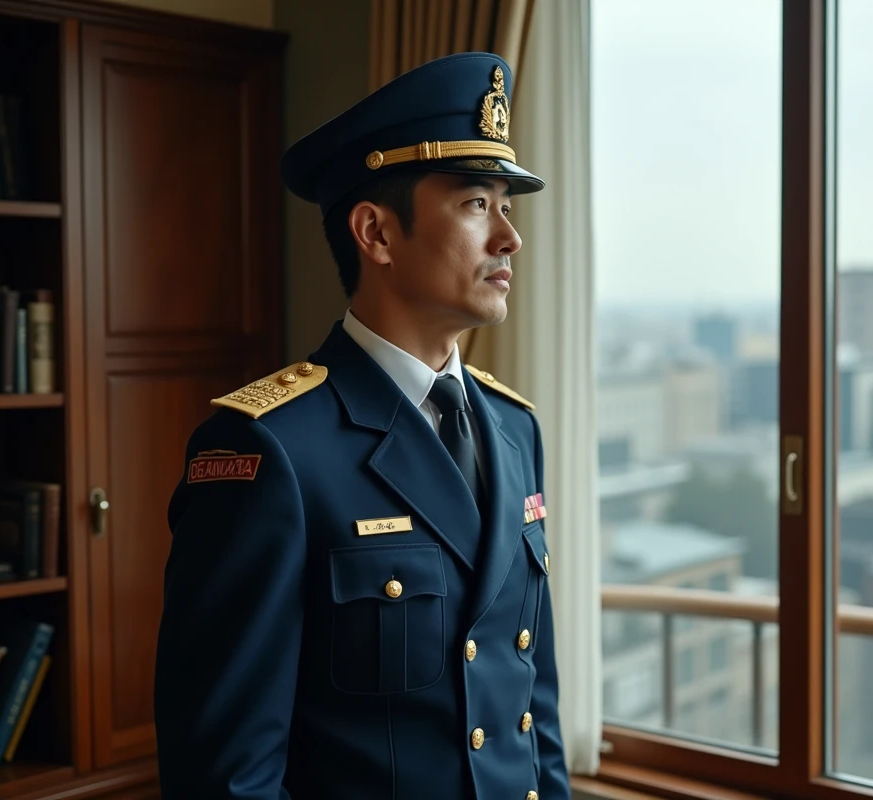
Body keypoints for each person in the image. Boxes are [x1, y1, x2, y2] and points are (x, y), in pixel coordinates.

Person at [153, 52, 569, 800]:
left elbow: (532, 707)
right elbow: (226, 777)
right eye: (477, 203)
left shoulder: (514, 428)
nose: (509, 237)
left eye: (507, 206)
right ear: (375, 233)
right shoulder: (269, 447)